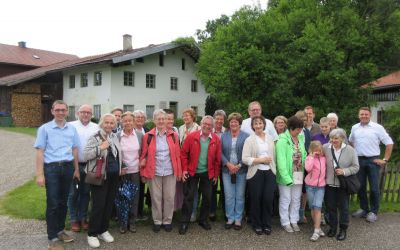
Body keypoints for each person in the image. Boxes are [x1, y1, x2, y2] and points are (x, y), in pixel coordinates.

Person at [34, 100, 80, 250]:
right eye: (58, 110)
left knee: (63, 202)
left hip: (67, 168)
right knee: (53, 203)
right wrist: (40, 174)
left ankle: (60, 231)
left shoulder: (71, 129)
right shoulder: (44, 129)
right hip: (52, 169)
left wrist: (76, 169)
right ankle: (52, 238)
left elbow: (74, 150)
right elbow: (40, 152)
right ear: (52, 111)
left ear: (67, 112)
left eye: (63, 110)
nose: (60, 112)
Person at [84, 113, 122, 248]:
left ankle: (103, 230)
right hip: (100, 176)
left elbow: (118, 155)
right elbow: (86, 154)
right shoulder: (95, 137)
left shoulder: (114, 137)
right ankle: (92, 234)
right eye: (106, 122)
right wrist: (100, 148)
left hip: (113, 176)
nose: (109, 125)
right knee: (98, 206)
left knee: (108, 204)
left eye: (112, 123)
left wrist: (120, 168)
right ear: (102, 123)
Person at [140, 109, 182, 233]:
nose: (161, 121)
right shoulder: (148, 136)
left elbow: (177, 155)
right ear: (154, 121)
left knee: (169, 197)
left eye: (163, 119)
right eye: (158, 119)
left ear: (167, 120)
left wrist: (179, 172)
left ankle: (168, 221)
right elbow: (143, 155)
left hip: (170, 171)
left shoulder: (174, 135)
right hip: (154, 172)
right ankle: (157, 221)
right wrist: (143, 172)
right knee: (156, 198)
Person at [349, 107, 393, 223]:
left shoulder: (377, 128)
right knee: (361, 187)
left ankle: (373, 212)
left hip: (373, 161)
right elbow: (351, 141)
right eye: (362, 114)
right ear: (359, 115)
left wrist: (385, 159)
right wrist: (354, 155)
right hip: (359, 160)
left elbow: (389, 143)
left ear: (370, 115)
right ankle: (364, 209)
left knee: (374, 188)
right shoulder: (355, 128)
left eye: (366, 114)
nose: (364, 116)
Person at [179, 116, 221, 235]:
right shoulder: (192, 136)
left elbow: (217, 160)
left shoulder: (216, 139)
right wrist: (185, 170)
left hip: (207, 172)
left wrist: (215, 175)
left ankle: (203, 220)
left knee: (207, 198)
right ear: (201, 124)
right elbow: (183, 154)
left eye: (209, 125)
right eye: (205, 124)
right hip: (192, 172)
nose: (207, 126)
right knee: (189, 197)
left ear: (212, 127)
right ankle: (184, 222)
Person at [242, 115, 276, 235]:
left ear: (264, 125)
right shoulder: (249, 140)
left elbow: (274, 156)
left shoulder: (271, 138)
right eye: (255, 124)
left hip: (270, 172)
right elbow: (245, 159)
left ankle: (267, 224)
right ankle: (256, 224)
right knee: (256, 199)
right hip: (255, 173)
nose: (258, 125)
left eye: (260, 123)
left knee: (268, 199)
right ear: (252, 126)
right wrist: (260, 160)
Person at [323, 128, 359, 241]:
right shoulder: (325, 148)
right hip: (329, 184)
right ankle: (333, 228)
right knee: (331, 208)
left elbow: (356, 167)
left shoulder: (350, 150)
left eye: (336, 138)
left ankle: (343, 229)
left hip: (343, 185)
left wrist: (344, 171)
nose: (333, 140)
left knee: (344, 208)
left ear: (343, 138)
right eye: (331, 138)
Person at [67, 104, 99, 233]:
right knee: (73, 193)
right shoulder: (70, 126)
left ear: (91, 115)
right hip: (74, 164)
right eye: (83, 112)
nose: (85, 114)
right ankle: (74, 219)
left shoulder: (96, 127)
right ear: (78, 113)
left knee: (86, 193)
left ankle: (83, 218)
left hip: (90, 165)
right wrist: (74, 168)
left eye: (88, 112)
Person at [276, 116, 306, 233]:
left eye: (300, 129)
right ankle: (285, 222)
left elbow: (304, 155)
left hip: (298, 173)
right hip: (286, 175)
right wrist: (286, 177)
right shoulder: (282, 140)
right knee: (286, 199)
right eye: (298, 129)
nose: (299, 131)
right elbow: (281, 161)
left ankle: (294, 220)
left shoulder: (301, 139)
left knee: (296, 199)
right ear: (291, 128)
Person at [221, 113, 249, 230]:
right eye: (231, 121)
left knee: (240, 195)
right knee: (229, 195)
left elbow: (248, 152)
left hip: (241, 170)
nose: (233, 123)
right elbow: (219, 152)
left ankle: (238, 219)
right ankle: (230, 218)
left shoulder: (246, 136)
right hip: (227, 171)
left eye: (236, 121)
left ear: (239, 123)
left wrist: (238, 165)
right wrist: (228, 164)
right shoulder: (224, 136)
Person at [117, 112, 143, 233]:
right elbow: (115, 155)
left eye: (130, 121)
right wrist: (121, 166)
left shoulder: (139, 135)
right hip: (122, 172)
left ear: (133, 122)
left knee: (134, 197)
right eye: (125, 121)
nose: (128, 123)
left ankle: (132, 222)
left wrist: (143, 161)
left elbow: (143, 153)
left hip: (135, 171)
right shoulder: (117, 136)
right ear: (122, 122)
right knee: (122, 197)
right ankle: (123, 223)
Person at [178, 107, 201, 221]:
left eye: (188, 115)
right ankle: (184, 210)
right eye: (184, 116)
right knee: (185, 188)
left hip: (194, 163)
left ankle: (193, 211)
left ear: (193, 117)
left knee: (193, 189)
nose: (186, 117)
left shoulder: (198, 128)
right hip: (183, 161)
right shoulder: (181, 128)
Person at [304, 141, 326, 241]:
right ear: (312, 150)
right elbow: (308, 169)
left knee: (317, 208)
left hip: (321, 187)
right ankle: (318, 227)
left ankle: (316, 231)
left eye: (319, 150)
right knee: (313, 208)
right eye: (316, 150)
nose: (318, 152)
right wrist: (312, 157)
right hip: (310, 186)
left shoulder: (324, 158)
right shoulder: (309, 158)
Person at [133, 109, 150, 221]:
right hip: (133, 164)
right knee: (134, 190)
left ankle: (140, 212)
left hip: (144, 164)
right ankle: (132, 214)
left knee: (142, 187)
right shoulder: (130, 130)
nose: (140, 119)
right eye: (137, 117)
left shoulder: (147, 131)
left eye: (142, 117)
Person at [210, 109, 226, 221]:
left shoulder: (227, 131)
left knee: (225, 189)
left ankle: (226, 212)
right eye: (217, 119)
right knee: (212, 188)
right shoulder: (209, 131)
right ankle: (212, 211)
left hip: (224, 165)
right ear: (213, 119)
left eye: (221, 119)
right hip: (212, 165)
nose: (219, 121)